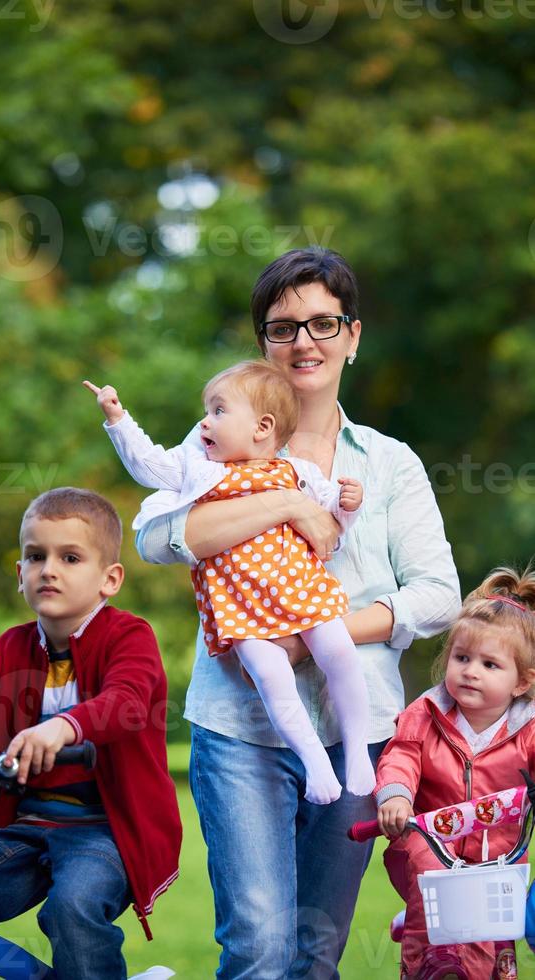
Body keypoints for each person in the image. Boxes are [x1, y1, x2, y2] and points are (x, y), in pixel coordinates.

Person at [135, 247, 461, 979]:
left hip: (360, 729)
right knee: (257, 947)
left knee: (316, 955)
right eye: (283, 328)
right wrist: (282, 502)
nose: (303, 342)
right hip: (239, 729)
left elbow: (438, 593)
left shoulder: (387, 463)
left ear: (353, 336)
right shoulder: (211, 445)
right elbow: (157, 536)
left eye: (323, 323)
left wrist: (319, 637)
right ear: (264, 345)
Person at [0, 487, 182, 980]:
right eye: (35, 556)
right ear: (20, 575)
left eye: (70, 557)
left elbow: (127, 702)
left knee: (73, 906)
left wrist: (64, 727)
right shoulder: (11, 649)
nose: (49, 569)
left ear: (109, 579)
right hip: (26, 826)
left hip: (103, 829)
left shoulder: (129, 637)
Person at [84, 360, 375, 804]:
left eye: (219, 411)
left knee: (340, 655)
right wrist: (118, 419)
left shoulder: (297, 471)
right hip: (239, 605)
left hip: (302, 589)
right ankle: (315, 761)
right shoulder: (200, 471)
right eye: (207, 410)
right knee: (271, 677)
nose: (204, 421)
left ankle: (357, 751)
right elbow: (148, 466)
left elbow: (334, 522)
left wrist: (348, 502)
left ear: (262, 428)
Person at [375, 565, 535, 979]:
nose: (471, 670)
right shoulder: (426, 715)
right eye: (462, 658)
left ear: (522, 682)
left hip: (496, 854)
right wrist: (395, 793)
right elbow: (403, 754)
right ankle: (432, 963)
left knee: (491, 936)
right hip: (430, 840)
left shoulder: (529, 730)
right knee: (432, 881)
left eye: (489, 664)